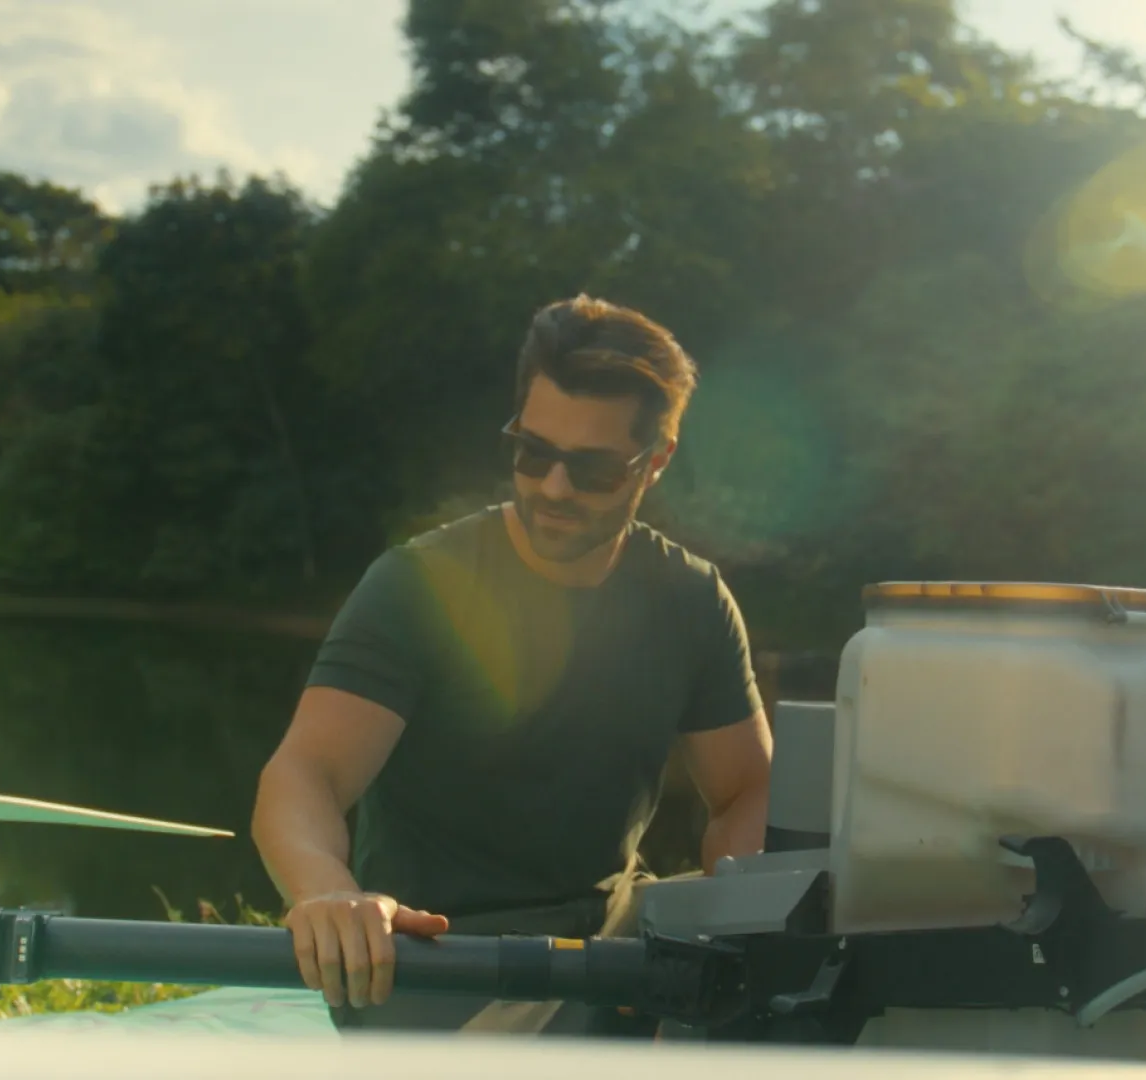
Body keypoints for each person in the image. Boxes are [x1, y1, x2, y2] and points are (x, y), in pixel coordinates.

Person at [250, 294, 775, 1035]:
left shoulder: (691, 599)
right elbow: (305, 775)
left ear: (654, 463)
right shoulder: (420, 584)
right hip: (438, 960)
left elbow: (748, 790)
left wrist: (735, 925)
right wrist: (327, 893)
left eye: (592, 469)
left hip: (615, 937)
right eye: (534, 452)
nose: (554, 487)